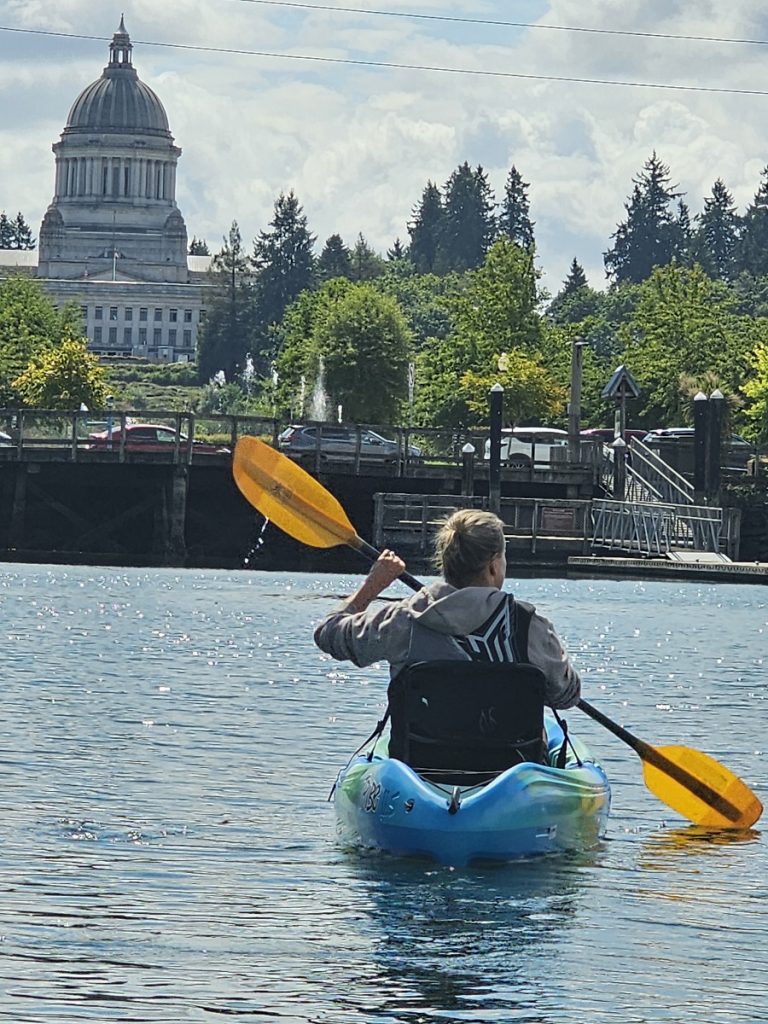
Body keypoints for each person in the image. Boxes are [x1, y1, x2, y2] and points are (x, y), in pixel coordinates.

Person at [313, 508, 580, 710]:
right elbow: (565, 696)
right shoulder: (530, 626)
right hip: (512, 762)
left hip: (422, 761)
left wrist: (372, 585)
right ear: (493, 566)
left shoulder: (403, 620)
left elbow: (328, 634)